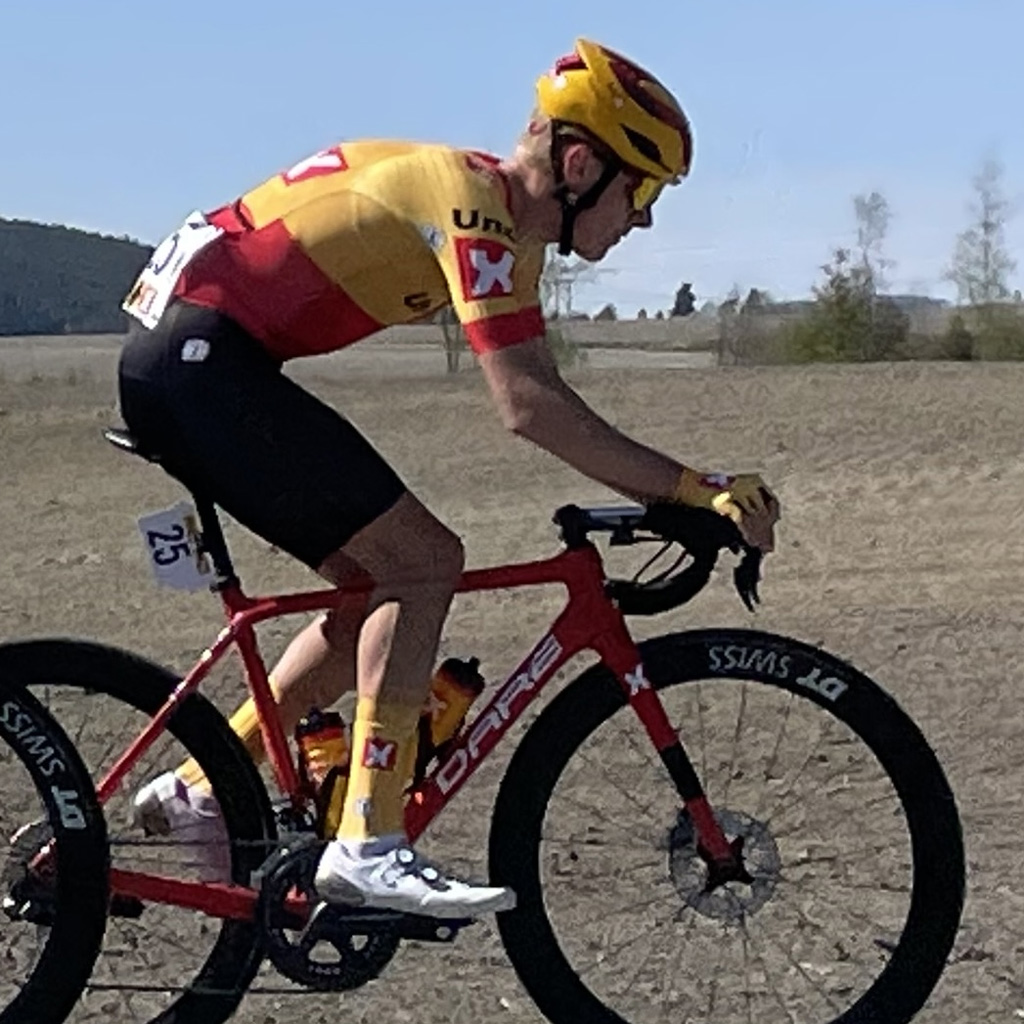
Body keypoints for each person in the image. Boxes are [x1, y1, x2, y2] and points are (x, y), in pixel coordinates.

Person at [118, 37, 781, 921]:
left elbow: (542, 397)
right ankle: (367, 843)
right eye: (643, 192)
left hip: (194, 354)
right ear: (580, 166)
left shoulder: (501, 228)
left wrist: (680, 487)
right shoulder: (473, 208)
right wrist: (691, 486)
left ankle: (203, 786)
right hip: (200, 355)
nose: (645, 221)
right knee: (425, 562)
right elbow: (528, 407)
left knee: (375, 589)